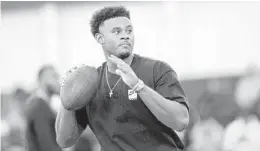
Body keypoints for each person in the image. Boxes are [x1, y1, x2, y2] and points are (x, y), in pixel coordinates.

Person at [56, 6, 189, 151]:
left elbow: (180, 121)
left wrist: (139, 86)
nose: (125, 36)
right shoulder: (90, 81)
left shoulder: (157, 69)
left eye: (129, 30)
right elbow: (64, 141)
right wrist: (67, 98)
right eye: (117, 31)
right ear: (100, 38)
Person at [25, 65, 62, 151]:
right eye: (54, 77)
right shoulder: (39, 106)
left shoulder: (41, 104)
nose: (58, 82)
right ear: (44, 80)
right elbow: (47, 145)